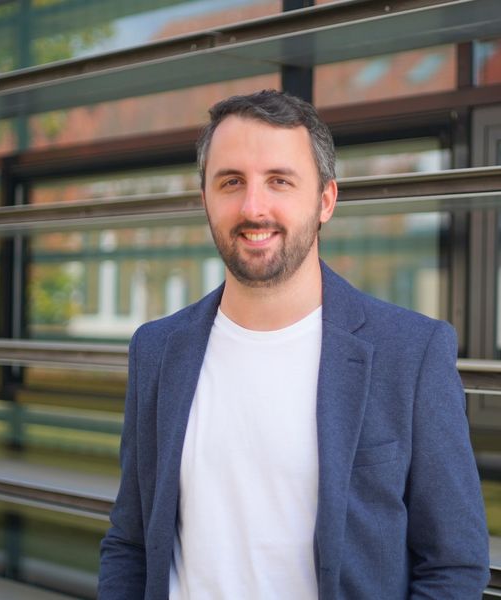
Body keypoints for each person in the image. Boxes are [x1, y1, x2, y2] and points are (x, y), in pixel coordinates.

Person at [97, 90, 490, 599]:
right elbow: (130, 540)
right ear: (205, 199)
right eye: (231, 182)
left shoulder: (410, 354)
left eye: (279, 181)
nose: (253, 206)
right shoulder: (156, 350)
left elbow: (454, 565)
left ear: (325, 200)